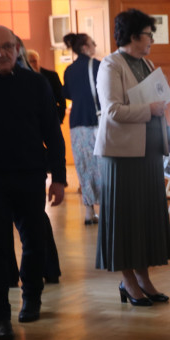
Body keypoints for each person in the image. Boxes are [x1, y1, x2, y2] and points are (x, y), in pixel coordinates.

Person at [0, 25, 67, 340]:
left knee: (34, 241)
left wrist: (59, 178)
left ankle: (32, 297)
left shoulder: (36, 84)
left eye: (7, 46)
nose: (0, 53)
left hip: (29, 176)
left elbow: (52, 133)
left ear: (17, 47)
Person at [94, 8, 170, 306]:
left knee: (144, 217)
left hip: (148, 152)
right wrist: (149, 110)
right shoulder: (110, 65)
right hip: (122, 155)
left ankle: (144, 278)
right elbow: (112, 110)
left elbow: (156, 100)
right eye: (147, 34)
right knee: (125, 218)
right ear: (132, 36)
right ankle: (127, 280)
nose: (151, 39)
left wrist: (160, 113)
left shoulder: (146, 62)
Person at [62, 32, 103, 225]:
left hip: (76, 122)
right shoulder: (97, 66)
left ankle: (88, 211)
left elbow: (67, 93)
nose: (95, 45)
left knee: (84, 166)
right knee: (102, 166)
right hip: (96, 121)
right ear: (85, 47)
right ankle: (105, 209)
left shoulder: (69, 70)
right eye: (92, 42)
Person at [26, 49, 67, 123]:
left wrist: (60, 117)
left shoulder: (52, 76)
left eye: (34, 61)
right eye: (30, 62)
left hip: (50, 118)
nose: (32, 64)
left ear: (38, 61)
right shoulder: (22, 78)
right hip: (30, 120)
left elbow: (61, 98)